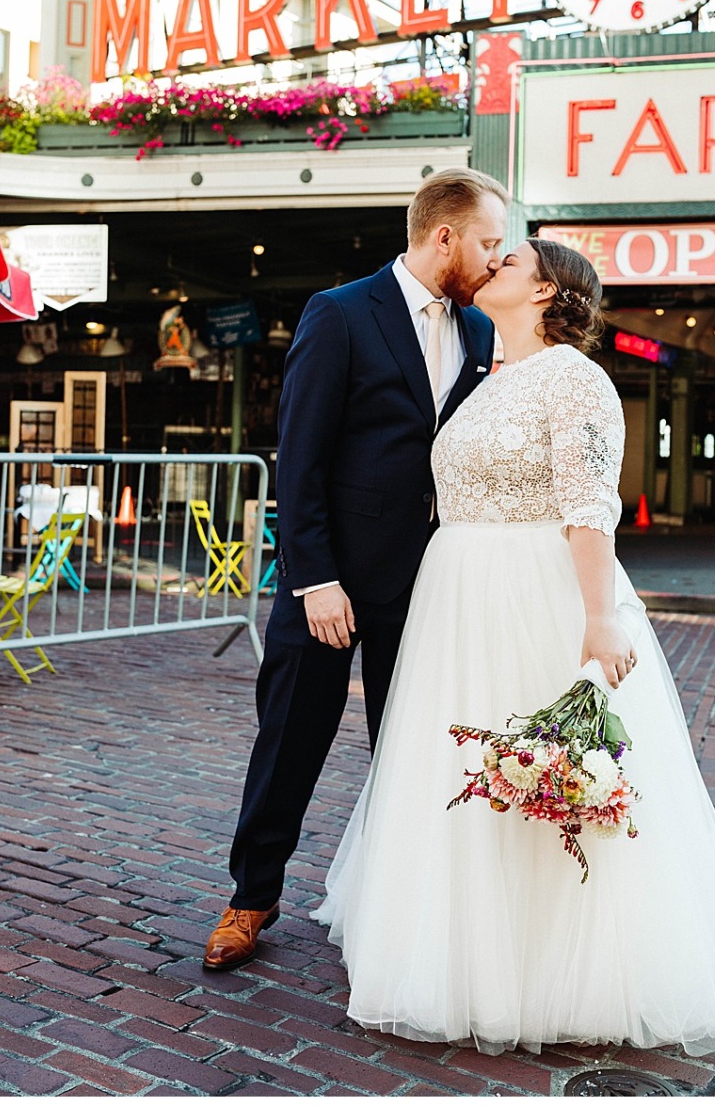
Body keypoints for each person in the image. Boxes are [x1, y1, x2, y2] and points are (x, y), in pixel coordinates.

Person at [314, 237, 715, 1054]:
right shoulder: (485, 377)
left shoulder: (576, 379)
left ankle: (553, 960)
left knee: (544, 762)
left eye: (508, 263)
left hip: (534, 594)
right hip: (457, 598)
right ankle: (461, 936)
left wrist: (599, 616)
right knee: (460, 767)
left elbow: (588, 504)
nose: (489, 269)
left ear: (547, 291)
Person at [205, 168, 507, 970]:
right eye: (487, 242)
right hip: (329, 584)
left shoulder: (479, 334)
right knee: (290, 743)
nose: (494, 260)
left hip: (430, 588)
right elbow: (298, 458)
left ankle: (400, 904)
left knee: (410, 753)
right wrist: (314, 579)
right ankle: (250, 898)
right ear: (444, 236)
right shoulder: (338, 313)